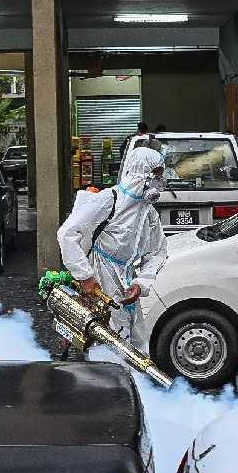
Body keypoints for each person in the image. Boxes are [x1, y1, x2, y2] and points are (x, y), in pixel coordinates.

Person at [56, 146, 169, 350]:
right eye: (156, 176)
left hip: (126, 282)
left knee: (136, 343)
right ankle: (112, 380)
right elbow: (67, 233)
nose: (158, 183)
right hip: (100, 278)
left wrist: (141, 283)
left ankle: (133, 381)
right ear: (141, 174)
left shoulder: (148, 212)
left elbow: (158, 251)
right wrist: (85, 277)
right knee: (108, 343)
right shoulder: (108, 200)